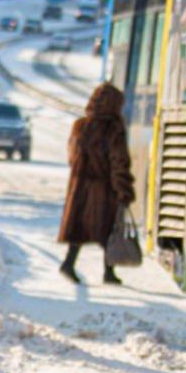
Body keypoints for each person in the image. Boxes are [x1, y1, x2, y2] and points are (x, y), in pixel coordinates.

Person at [58, 83, 135, 285]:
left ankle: (69, 263)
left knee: (79, 228)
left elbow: (71, 157)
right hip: (103, 188)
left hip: (80, 187)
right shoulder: (113, 130)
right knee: (108, 229)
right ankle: (108, 272)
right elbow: (119, 163)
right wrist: (124, 190)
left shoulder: (80, 126)